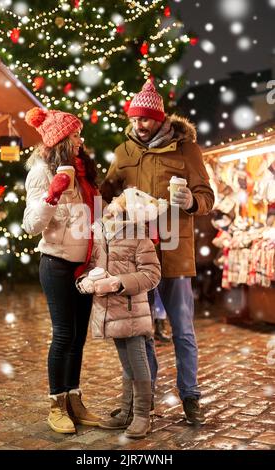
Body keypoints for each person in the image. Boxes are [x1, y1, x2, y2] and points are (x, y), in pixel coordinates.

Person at [101, 80, 215, 425]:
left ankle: (190, 396)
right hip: (136, 256)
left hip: (175, 252)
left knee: (181, 328)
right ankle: (143, 400)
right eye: (135, 119)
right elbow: (107, 193)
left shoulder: (187, 150)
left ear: (159, 118)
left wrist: (193, 201)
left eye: (146, 119)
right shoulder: (123, 153)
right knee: (140, 329)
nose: (140, 124)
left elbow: (207, 197)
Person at [23, 107, 100, 433]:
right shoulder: (41, 172)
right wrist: (52, 194)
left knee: (79, 337)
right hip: (56, 263)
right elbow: (30, 225)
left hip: (85, 265)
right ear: (61, 140)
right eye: (75, 135)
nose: (80, 140)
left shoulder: (83, 172)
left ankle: (74, 400)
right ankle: (56, 404)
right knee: (64, 334)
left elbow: (95, 213)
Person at [76, 194, 161, 438]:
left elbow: (152, 274)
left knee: (137, 360)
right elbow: (94, 267)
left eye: (119, 206)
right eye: (112, 205)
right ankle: (126, 412)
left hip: (131, 310)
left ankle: (142, 414)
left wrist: (118, 283)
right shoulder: (100, 233)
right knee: (126, 363)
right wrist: (86, 282)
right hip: (110, 310)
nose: (112, 206)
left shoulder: (138, 236)